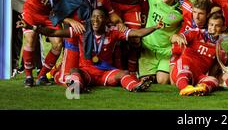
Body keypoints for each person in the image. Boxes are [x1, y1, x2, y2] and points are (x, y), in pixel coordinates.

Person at [17, 7, 163, 93]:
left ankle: (135, 86)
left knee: (123, 73)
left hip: (105, 73)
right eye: (93, 17)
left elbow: (136, 33)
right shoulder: (83, 31)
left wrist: (155, 27)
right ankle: (75, 88)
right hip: (86, 72)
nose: (95, 20)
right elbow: (54, 33)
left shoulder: (113, 31)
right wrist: (33, 27)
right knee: (75, 71)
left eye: (99, 17)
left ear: (106, 20)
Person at [48, 0, 124, 85]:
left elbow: (112, 14)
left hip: (93, 40)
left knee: (86, 74)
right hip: (74, 40)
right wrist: (71, 21)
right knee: (66, 80)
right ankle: (56, 72)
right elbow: (55, 15)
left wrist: (120, 23)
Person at [10, 0, 75, 87]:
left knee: (58, 44)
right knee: (30, 39)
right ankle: (29, 76)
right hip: (32, 13)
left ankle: (42, 76)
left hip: (50, 16)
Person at [170, 12, 225, 96]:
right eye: (211, 25)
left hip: (197, 76)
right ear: (208, 25)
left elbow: (215, 68)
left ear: (223, 28)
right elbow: (173, 38)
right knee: (185, 71)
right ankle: (185, 88)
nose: (213, 28)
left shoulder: (220, 47)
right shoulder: (196, 32)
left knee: (214, 80)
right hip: (183, 68)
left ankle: (201, 89)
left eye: (217, 26)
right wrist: (177, 37)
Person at [11, 0, 48, 77]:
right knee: (17, 38)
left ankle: (38, 67)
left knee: (35, 39)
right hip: (18, 7)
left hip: (35, 10)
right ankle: (15, 67)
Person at [142, 0, 184, 84]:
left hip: (165, 52)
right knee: (146, 81)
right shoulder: (153, 0)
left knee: (162, 80)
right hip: (148, 49)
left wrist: (179, 35)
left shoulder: (179, 12)